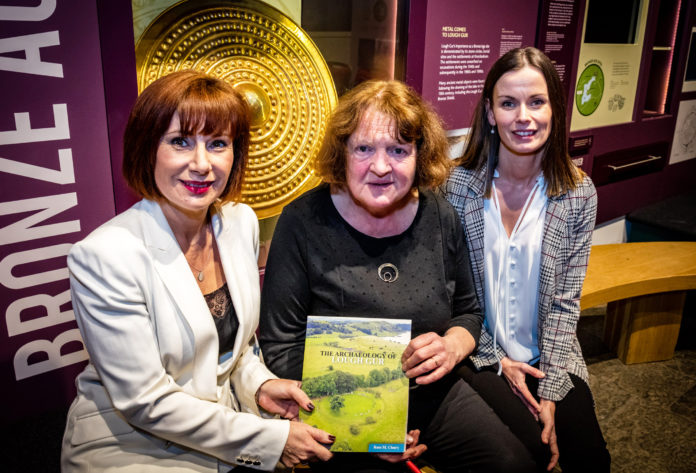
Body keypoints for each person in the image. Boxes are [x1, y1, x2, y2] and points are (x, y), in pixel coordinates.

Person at [60, 71, 334, 472]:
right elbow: (145, 402)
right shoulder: (104, 256)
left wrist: (260, 385)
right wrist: (269, 441)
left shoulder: (240, 222)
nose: (202, 164)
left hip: (226, 424)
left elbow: (234, 350)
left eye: (218, 143)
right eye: (180, 142)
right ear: (147, 150)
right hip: (133, 443)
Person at [258, 80, 538, 473]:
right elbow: (281, 346)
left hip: (431, 395)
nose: (381, 166)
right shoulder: (303, 221)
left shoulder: (440, 215)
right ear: (342, 152)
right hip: (340, 406)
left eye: (398, 150)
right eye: (364, 148)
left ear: (419, 155)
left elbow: (469, 313)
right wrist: (369, 422)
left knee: (514, 466)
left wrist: (453, 346)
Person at [446, 47, 611, 472]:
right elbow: (451, 296)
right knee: (531, 454)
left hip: (551, 353)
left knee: (591, 459)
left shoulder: (578, 194)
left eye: (536, 102)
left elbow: (564, 303)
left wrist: (551, 393)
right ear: (489, 112)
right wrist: (498, 361)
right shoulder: (457, 188)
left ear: (554, 108)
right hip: (482, 353)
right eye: (508, 103)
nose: (524, 117)